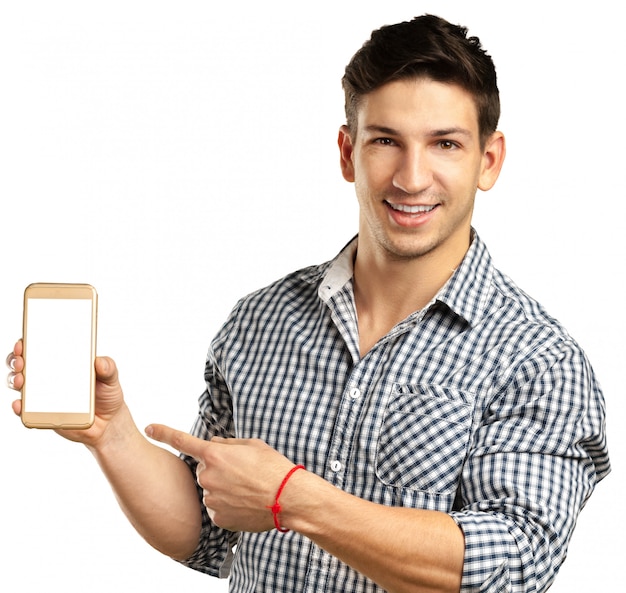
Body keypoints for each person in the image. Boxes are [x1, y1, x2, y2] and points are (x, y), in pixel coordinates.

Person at [6, 14, 609, 593]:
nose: (412, 176)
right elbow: (206, 533)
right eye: (385, 141)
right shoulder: (259, 321)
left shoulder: (538, 361)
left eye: (445, 144)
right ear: (348, 153)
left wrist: (292, 497)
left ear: (489, 160)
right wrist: (111, 434)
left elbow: (506, 569)